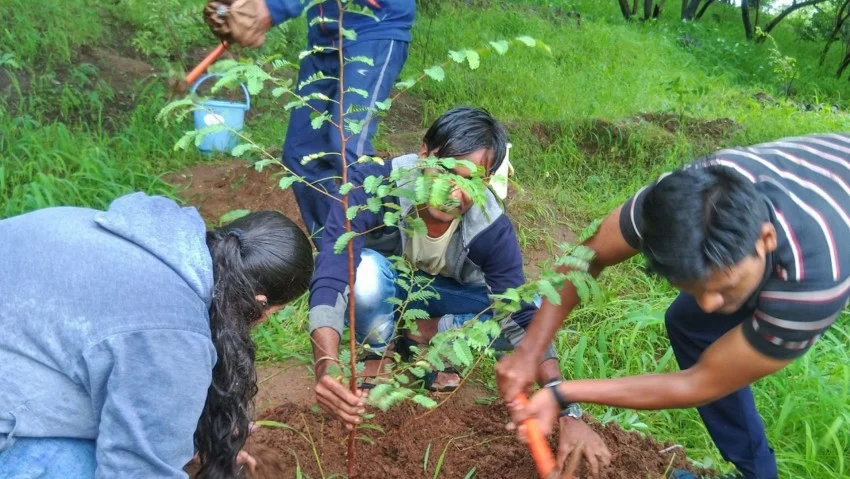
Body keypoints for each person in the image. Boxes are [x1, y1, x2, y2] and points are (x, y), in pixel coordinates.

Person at [499, 133, 850, 479]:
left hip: (830, 220)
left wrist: (561, 392)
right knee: (688, 320)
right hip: (821, 170)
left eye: (724, 287)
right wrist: (529, 353)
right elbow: (586, 257)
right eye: (694, 288)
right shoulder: (679, 201)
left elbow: (701, 383)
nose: (709, 305)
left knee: (705, 339)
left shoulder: (812, 286)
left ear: (765, 240)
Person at [307, 106, 612, 474]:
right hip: (391, 288)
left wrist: (567, 408)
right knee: (367, 272)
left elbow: (520, 315)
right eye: (445, 171)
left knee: (526, 302)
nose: (453, 193)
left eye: (470, 182)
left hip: (450, 296)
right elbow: (332, 271)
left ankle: (432, 334)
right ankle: (378, 354)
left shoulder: (490, 226)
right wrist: (326, 364)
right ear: (424, 154)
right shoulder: (374, 186)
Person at [0, 192, 314, 478]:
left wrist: (191, 431)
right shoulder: (172, 331)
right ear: (259, 303)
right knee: (84, 462)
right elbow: (135, 471)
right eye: (272, 313)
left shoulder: (159, 241)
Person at [204, 0, 415, 247]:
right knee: (300, 153)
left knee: (348, 145)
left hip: (375, 28)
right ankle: (337, 251)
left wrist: (272, 7)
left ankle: (382, 240)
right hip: (324, 38)